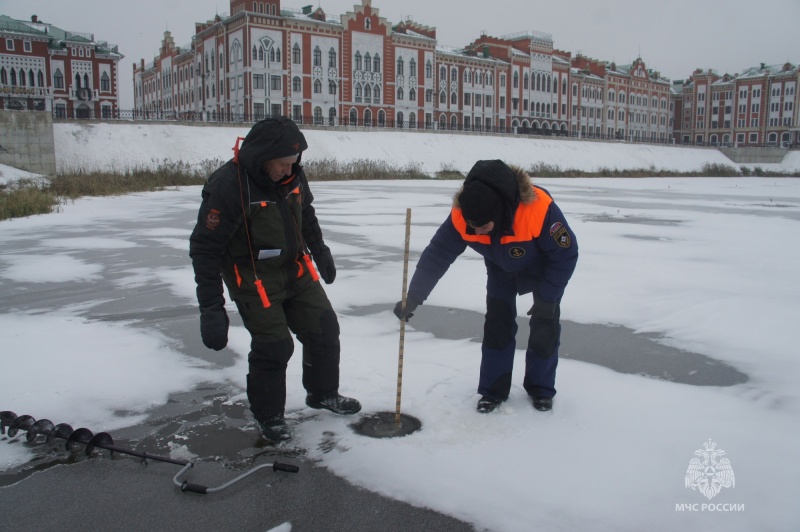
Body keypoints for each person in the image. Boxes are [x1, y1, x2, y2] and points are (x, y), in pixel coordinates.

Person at [189, 116, 360, 442]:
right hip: (253, 278)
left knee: (324, 328)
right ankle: (269, 416)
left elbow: (305, 212)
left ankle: (322, 393)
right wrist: (211, 307)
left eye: (295, 163)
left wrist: (319, 250)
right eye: (283, 164)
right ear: (262, 157)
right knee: (274, 345)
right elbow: (205, 249)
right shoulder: (229, 186)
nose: (289, 170)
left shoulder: (292, 175)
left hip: (295, 269)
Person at [394, 160, 578, 413]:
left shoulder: (538, 209)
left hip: (543, 267)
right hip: (501, 267)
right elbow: (437, 255)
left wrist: (549, 298)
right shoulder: (463, 216)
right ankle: (493, 391)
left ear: (499, 213)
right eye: (473, 226)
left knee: (545, 326)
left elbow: (566, 254)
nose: (477, 231)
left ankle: (541, 389)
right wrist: (413, 296)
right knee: (497, 326)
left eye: (483, 227)